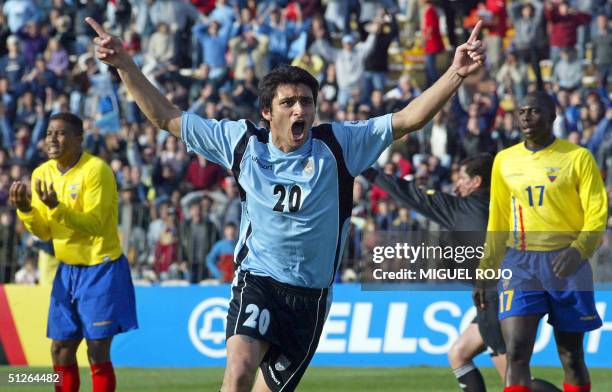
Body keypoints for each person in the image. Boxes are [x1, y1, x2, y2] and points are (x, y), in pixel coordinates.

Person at [86, 16, 486, 392]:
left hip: (310, 297)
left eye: (307, 102)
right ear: (267, 112)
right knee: (238, 373)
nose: (301, 110)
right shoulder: (242, 142)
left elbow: (407, 120)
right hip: (258, 279)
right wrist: (124, 64)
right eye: (289, 102)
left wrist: (455, 74)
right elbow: (167, 118)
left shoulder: (339, 144)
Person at [363, 154, 560, 392]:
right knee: (459, 353)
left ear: (476, 182)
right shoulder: (510, 203)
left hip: (495, 299)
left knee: (515, 381)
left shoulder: (463, 209)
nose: (456, 185)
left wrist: (365, 168)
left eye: (462, 179)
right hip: (522, 293)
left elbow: (410, 194)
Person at [476, 92, 608, 392]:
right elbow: (497, 219)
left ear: (553, 116)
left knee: (571, 356)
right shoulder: (505, 160)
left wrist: (580, 249)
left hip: (567, 264)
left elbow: (597, 212)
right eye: (522, 111)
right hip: (520, 263)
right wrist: (485, 272)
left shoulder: (578, 158)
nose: (525, 117)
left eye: (534, 111)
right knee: (517, 354)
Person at [8, 112, 137, 392]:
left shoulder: (96, 170)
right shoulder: (41, 173)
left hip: (101, 267)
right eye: (49, 133)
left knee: (97, 348)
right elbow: (43, 232)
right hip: (67, 269)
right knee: (60, 349)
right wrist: (27, 210)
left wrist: (56, 208)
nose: (52, 138)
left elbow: (94, 224)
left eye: (61, 133)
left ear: (79, 138)